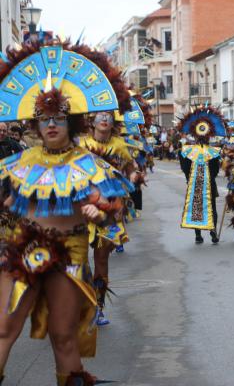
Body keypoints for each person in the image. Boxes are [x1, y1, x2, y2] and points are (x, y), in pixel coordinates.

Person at [0, 40, 132, 385]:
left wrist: (99, 211)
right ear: (35, 125)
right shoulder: (18, 163)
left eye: (58, 118)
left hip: (70, 253)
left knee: (64, 336)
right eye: (44, 120)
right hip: (22, 251)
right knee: (3, 330)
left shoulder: (90, 165)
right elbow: (7, 203)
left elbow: (113, 208)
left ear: (70, 122)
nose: (51, 125)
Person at [79, 111, 139, 326]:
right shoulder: (80, 144)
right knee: (78, 260)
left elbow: (132, 168)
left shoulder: (119, 146)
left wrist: (132, 176)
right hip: (82, 207)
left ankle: (99, 307)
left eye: (108, 116)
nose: (104, 119)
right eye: (99, 116)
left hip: (109, 210)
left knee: (102, 259)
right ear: (92, 121)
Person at [178, 105, 224, 245]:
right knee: (211, 207)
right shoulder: (213, 151)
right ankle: (212, 232)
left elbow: (184, 167)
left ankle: (199, 235)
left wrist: (190, 179)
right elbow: (215, 170)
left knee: (197, 207)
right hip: (208, 182)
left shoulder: (187, 150)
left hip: (196, 183)